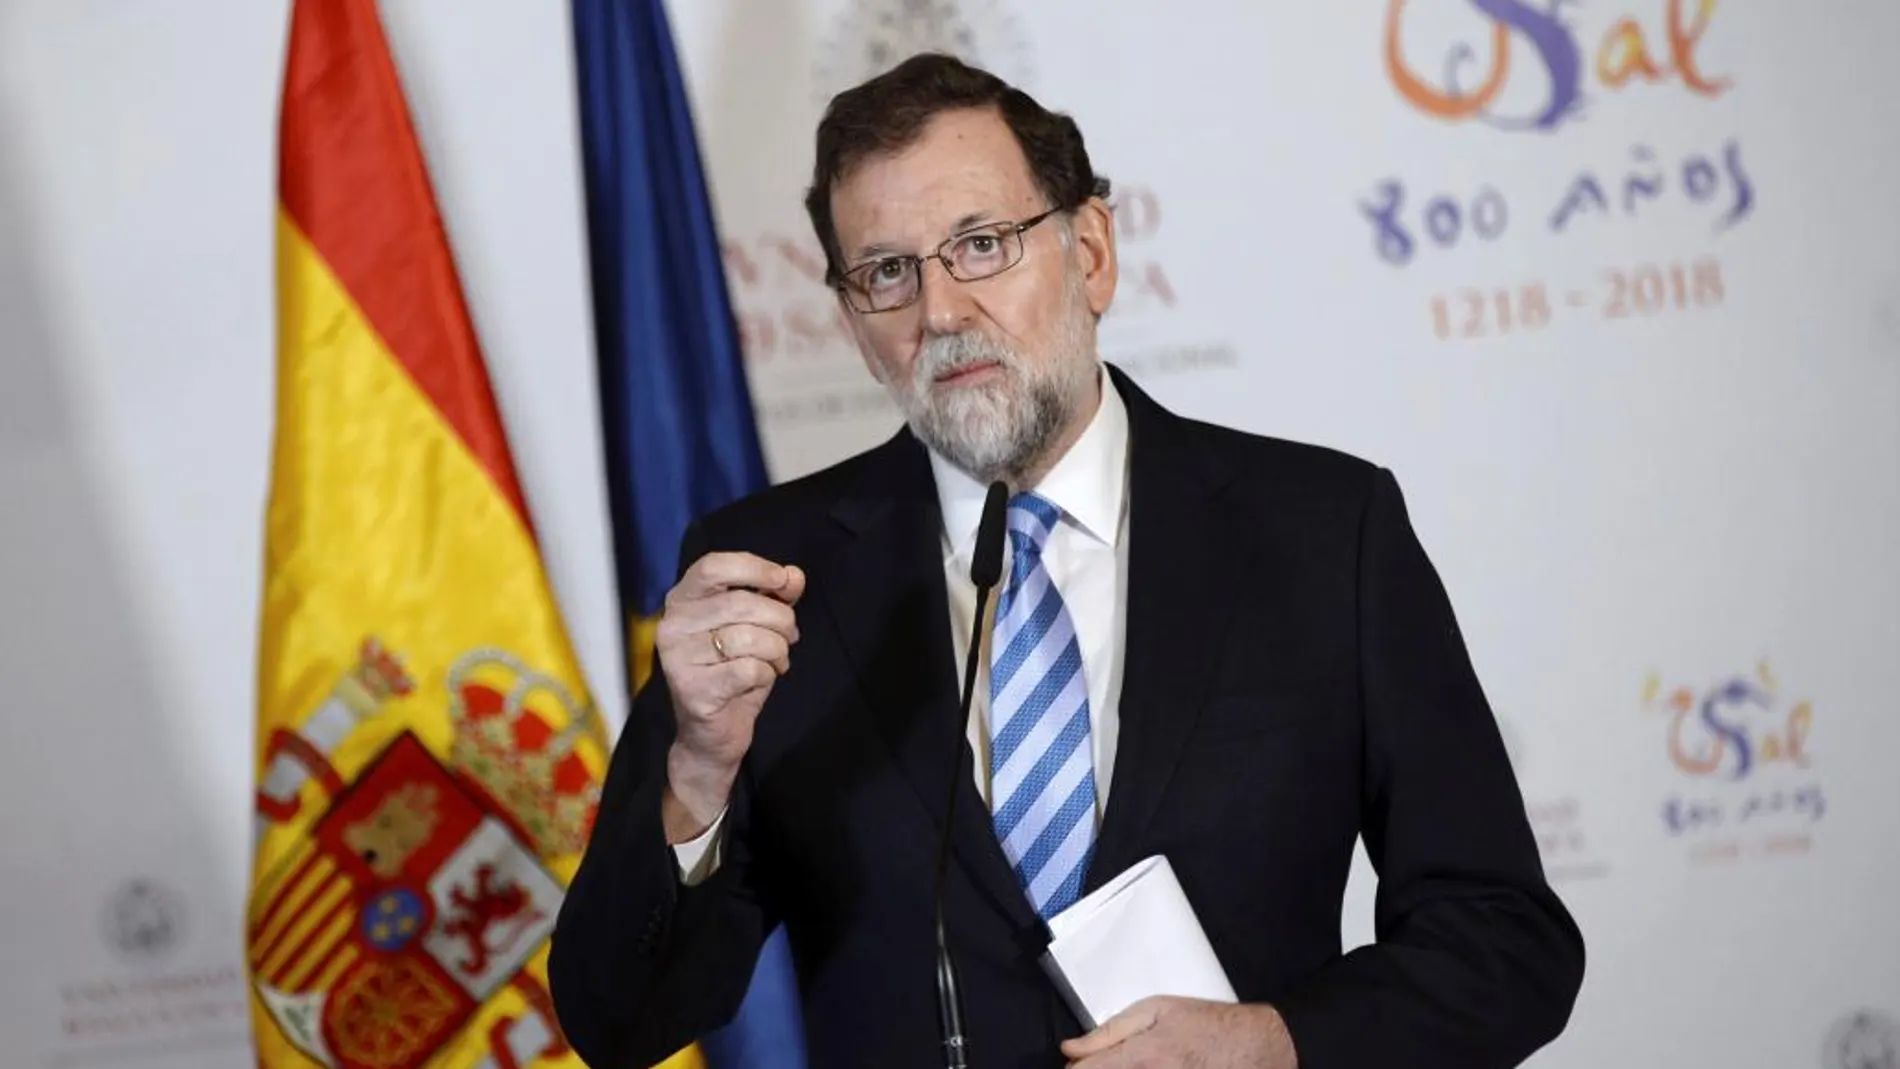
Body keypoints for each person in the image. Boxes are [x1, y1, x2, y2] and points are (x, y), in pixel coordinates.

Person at [548, 52, 1584, 1069]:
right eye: (887, 273)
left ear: (1089, 252)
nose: (941, 313)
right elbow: (616, 1017)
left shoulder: (1323, 531)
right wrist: (696, 772)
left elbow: (1505, 940)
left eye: (982, 244)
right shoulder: (769, 576)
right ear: (853, 321)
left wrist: (1276, 1044)